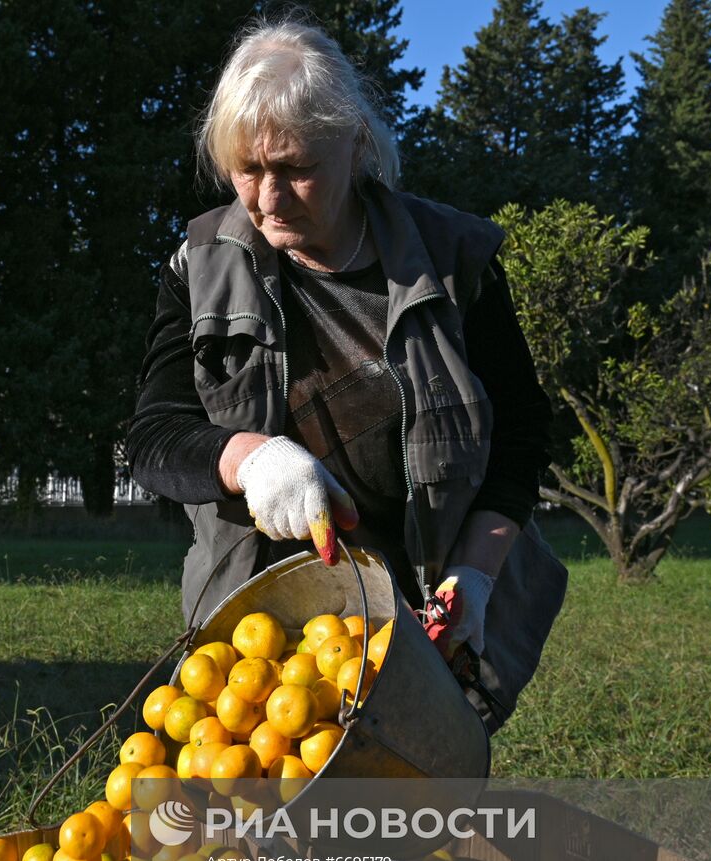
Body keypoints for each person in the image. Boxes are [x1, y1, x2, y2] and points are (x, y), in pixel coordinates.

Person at [126, 18, 567, 733]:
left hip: (422, 614)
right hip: (260, 623)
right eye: (247, 170)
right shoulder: (200, 266)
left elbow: (520, 434)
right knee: (258, 810)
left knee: (400, 817)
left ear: (356, 144)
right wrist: (250, 458)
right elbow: (153, 438)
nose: (268, 198)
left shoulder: (456, 261)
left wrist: (477, 576)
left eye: (295, 167)